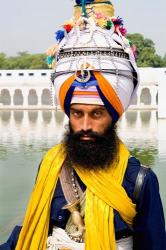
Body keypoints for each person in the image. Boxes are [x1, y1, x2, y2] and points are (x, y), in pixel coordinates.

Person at [1, 0, 166, 249]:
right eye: (77, 113)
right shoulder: (51, 166)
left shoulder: (140, 181)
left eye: (97, 114)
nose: (85, 125)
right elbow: (32, 229)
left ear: (114, 114)